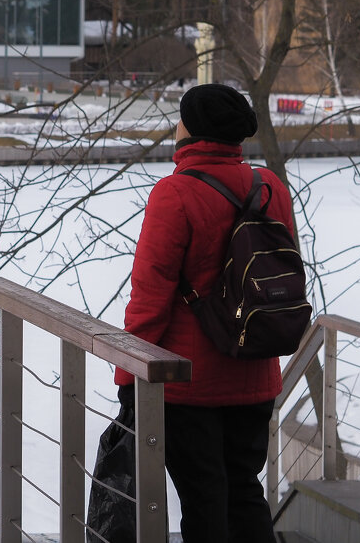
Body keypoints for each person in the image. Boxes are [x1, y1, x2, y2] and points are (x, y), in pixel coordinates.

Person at [114, 83, 295, 543]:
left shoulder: (174, 193)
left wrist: (127, 376)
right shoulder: (269, 184)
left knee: (204, 501)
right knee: (244, 492)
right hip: (255, 371)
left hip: (187, 382)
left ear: (190, 130)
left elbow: (150, 299)